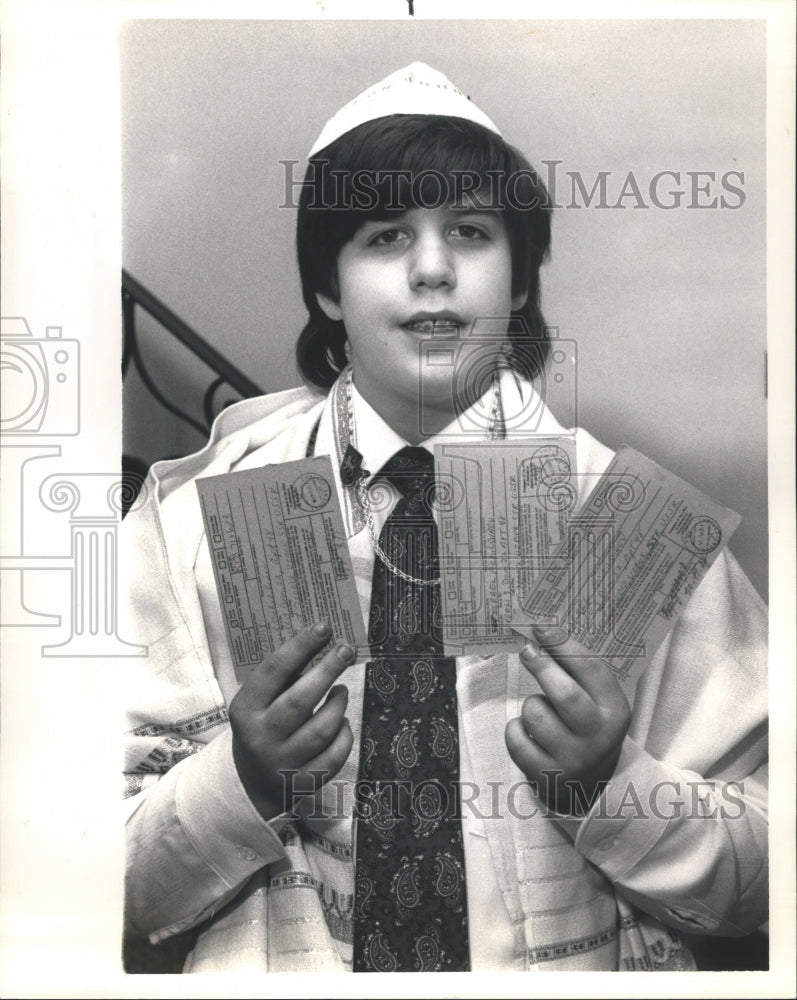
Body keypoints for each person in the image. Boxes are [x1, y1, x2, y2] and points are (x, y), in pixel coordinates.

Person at [122, 63, 768, 974]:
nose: (432, 270)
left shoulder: (623, 521)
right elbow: (75, 880)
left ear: (516, 283)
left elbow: (768, 881)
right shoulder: (203, 521)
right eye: (386, 237)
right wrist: (242, 780)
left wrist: (611, 785)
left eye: (469, 231)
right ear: (326, 291)